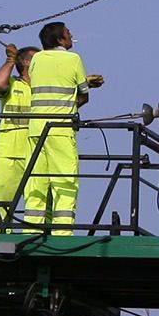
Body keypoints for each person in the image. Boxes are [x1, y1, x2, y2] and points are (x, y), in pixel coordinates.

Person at [23, 21, 101, 233]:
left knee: (36, 181)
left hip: (36, 128)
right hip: (60, 129)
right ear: (60, 39)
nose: (71, 35)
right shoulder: (73, 58)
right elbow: (83, 95)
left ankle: (31, 229)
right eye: (68, 32)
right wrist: (84, 87)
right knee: (65, 181)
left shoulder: (36, 58)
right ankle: (62, 231)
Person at [0, 43, 35, 217]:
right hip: (8, 153)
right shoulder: (12, 83)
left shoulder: (43, 88)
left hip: (36, 152)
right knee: (3, 201)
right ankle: (0, 236)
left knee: (37, 201)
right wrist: (10, 60)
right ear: (25, 62)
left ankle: (36, 234)